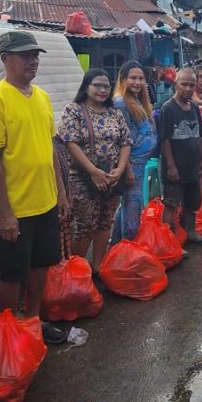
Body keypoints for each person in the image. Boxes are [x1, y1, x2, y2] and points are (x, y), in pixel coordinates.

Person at [0, 31, 69, 323]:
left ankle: (33, 321)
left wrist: (61, 194)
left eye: (35, 55)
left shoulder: (40, 96)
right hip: (16, 209)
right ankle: (10, 326)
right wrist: (4, 214)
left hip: (46, 201)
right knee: (13, 272)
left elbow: (49, 147)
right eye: (25, 55)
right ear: (5, 59)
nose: (33, 61)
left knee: (41, 265)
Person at [57, 68, 132, 270]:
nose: (102, 90)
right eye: (97, 85)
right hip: (82, 179)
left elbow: (126, 142)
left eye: (106, 86)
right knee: (85, 226)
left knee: (105, 222)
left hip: (111, 177)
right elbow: (70, 142)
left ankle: (98, 267)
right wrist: (93, 171)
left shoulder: (114, 112)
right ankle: (77, 271)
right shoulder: (74, 111)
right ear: (86, 86)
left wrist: (120, 169)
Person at [158, 68, 202, 245]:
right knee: (171, 203)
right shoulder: (168, 109)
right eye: (184, 84)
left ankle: (191, 232)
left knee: (192, 201)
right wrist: (171, 166)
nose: (188, 88)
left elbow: (201, 136)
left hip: (192, 166)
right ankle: (169, 240)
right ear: (175, 85)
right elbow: (164, 140)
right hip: (176, 168)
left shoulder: (194, 108)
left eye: (191, 85)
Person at [113, 61, 158, 241]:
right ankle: (129, 249)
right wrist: (128, 168)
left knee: (126, 206)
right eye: (133, 78)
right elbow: (122, 139)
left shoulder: (138, 101)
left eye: (141, 78)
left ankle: (116, 247)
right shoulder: (121, 103)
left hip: (141, 162)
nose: (137, 82)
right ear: (123, 80)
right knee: (133, 206)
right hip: (132, 164)